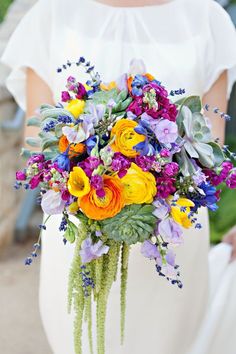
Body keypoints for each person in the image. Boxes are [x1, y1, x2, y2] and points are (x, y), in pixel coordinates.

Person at [1, 0, 236, 353]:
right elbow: (38, 144)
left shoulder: (207, 18)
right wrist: (95, 180)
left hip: (172, 235)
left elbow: (211, 143)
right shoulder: (50, 13)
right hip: (78, 234)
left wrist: (151, 180)